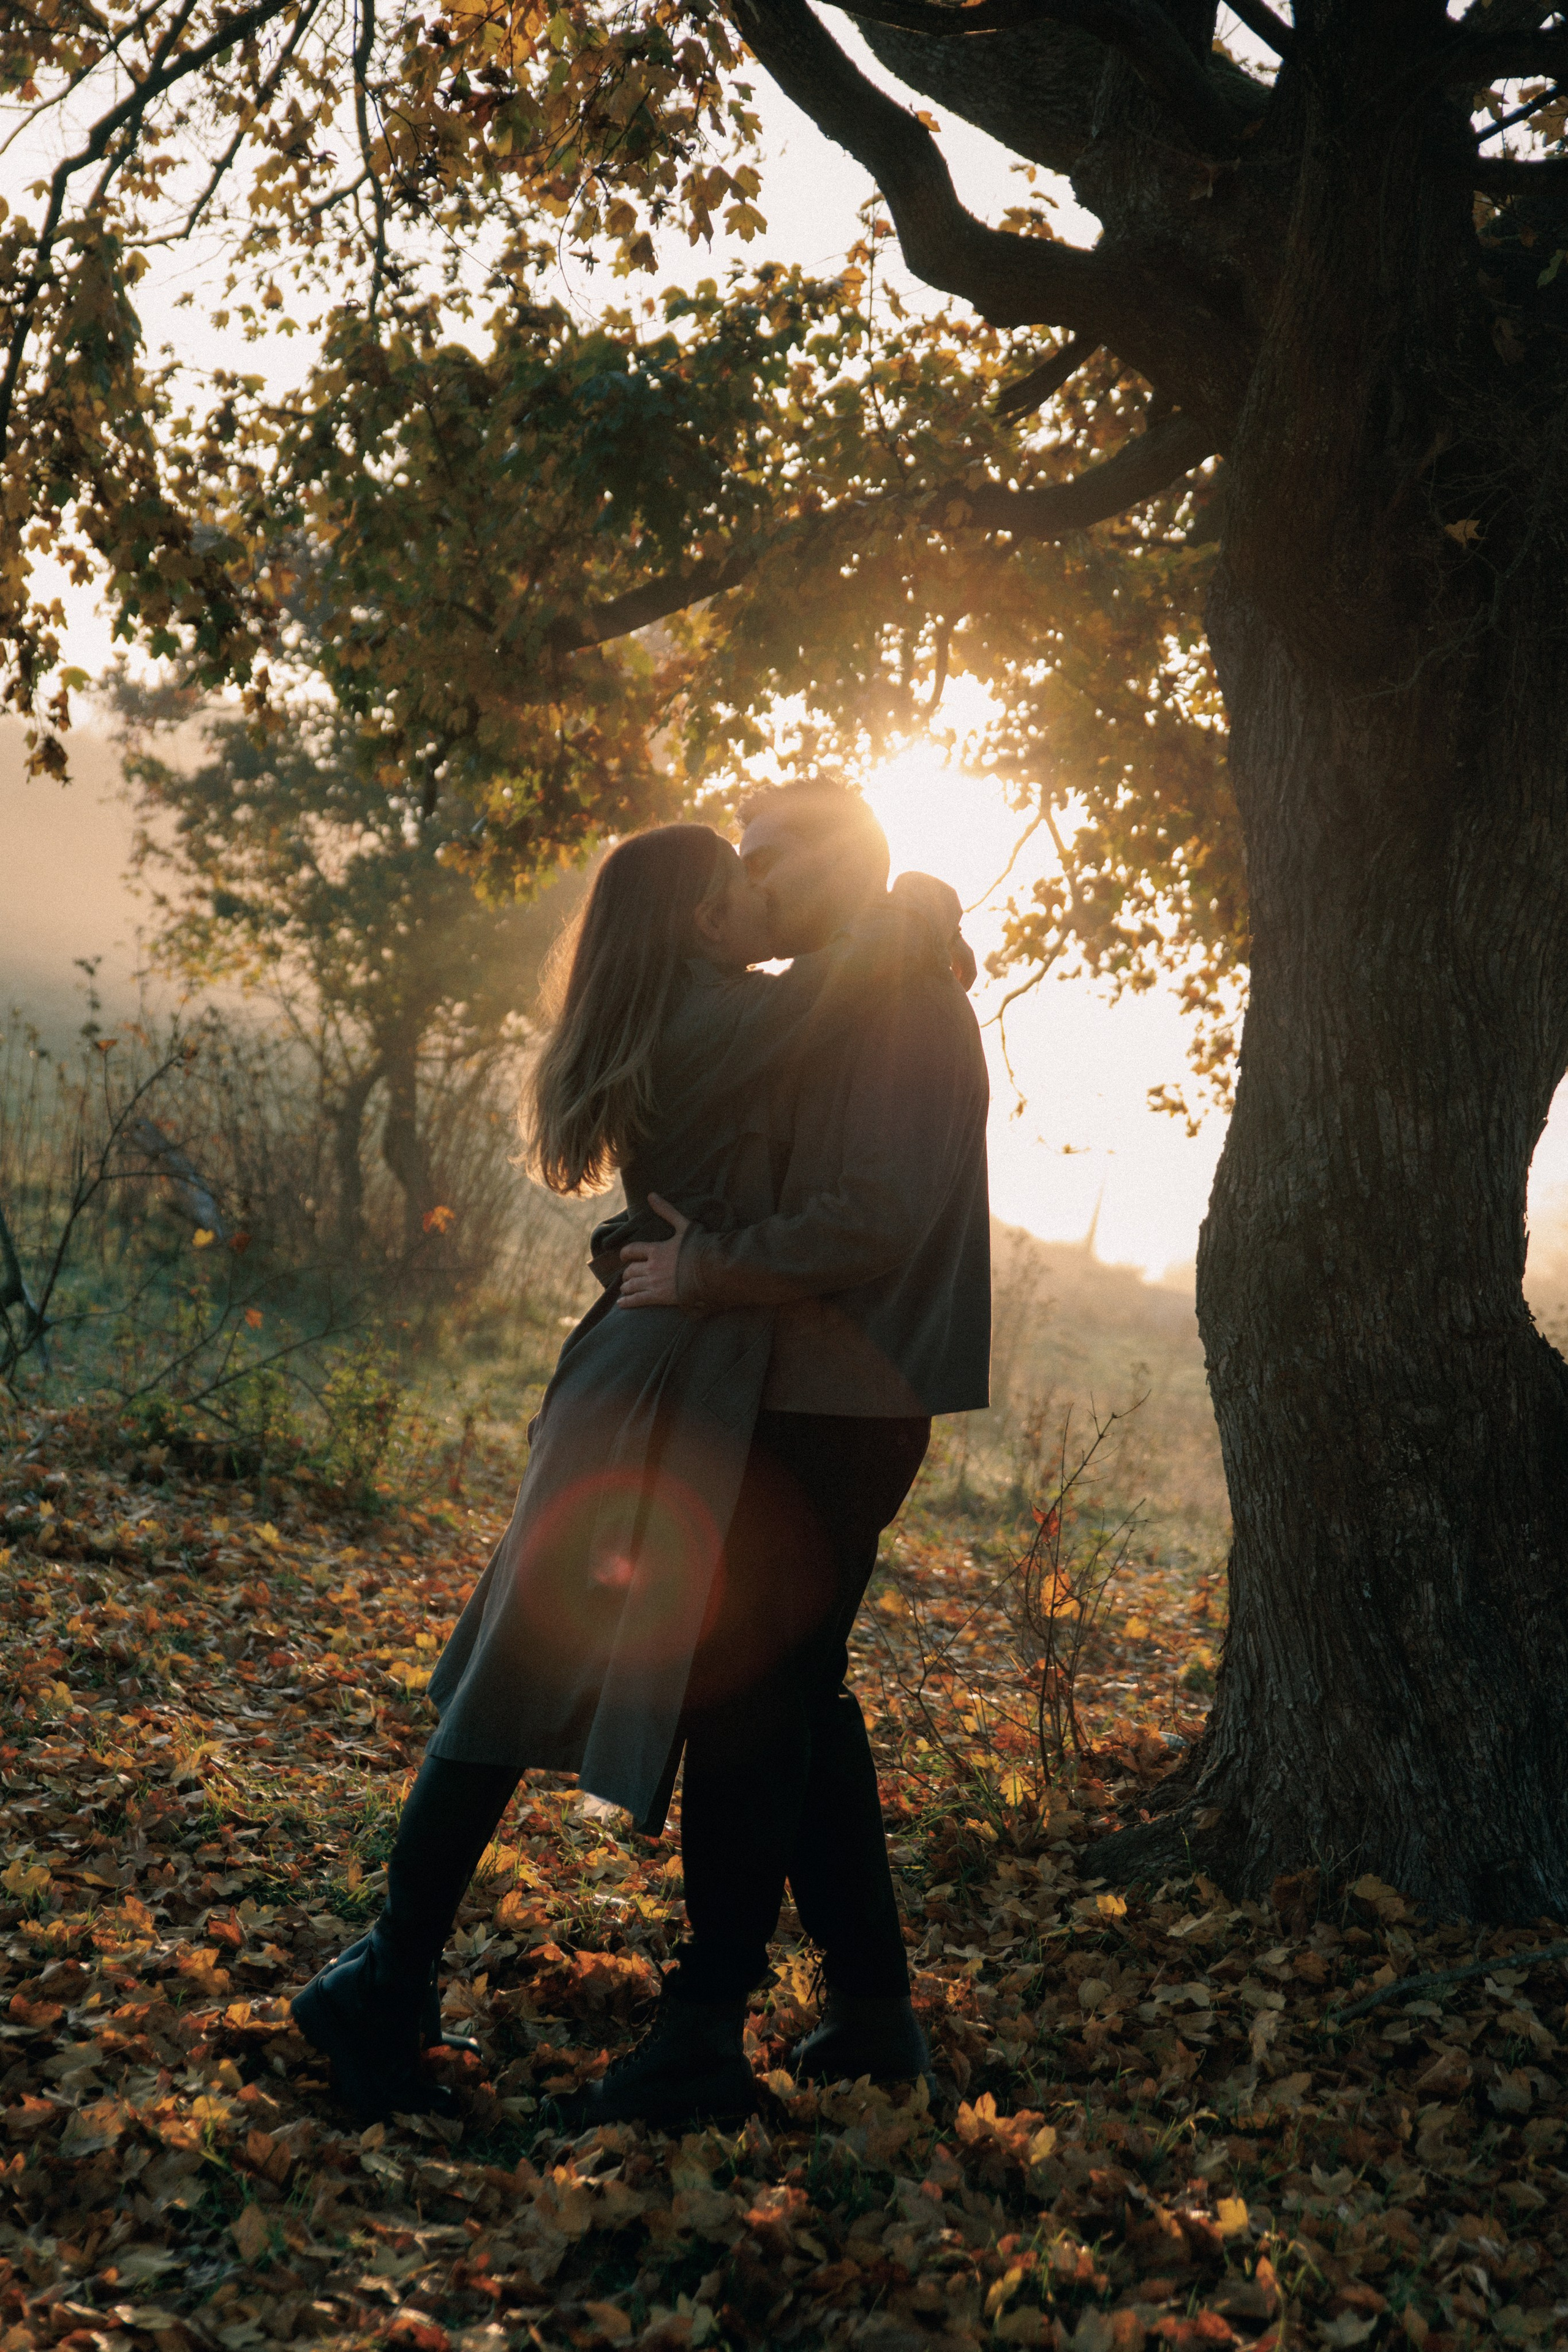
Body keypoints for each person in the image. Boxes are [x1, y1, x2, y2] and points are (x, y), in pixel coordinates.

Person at [290, 819, 970, 2120]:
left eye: (767, 877)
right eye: (734, 887)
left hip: (663, 1379)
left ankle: (394, 1979)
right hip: (652, 1385)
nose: (756, 903)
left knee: (555, 1681)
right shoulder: (719, 1018)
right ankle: (385, 1978)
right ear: (697, 925)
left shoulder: (685, 1005)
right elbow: (834, 993)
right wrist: (912, 906)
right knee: (509, 1684)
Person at [576, 781, 990, 2128]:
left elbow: (866, 1214)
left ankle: (702, 2030)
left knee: (742, 1702)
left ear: (854, 855)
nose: (750, 878)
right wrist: (652, 1241)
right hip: (788, 1390)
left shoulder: (900, 999)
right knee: (798, 1707)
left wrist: (696, 1267)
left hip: (840, 1404)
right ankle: (873, 2019)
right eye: (740, 856)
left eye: (774, 855)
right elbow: (753, 1174)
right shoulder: (833, 992)